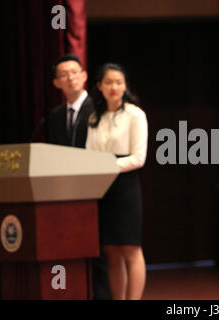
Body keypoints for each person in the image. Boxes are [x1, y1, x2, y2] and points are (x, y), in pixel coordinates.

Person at [48, 53, 111, 300]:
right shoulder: (53, 116)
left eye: (74, 72)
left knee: (99, 253)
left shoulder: (99, 110)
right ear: (56, 83)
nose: (70, 78)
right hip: (66, 195)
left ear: (84, 76)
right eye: (63, 75)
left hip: (96, 192)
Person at [86, 63, 148, 300]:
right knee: (111, 251)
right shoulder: (94, 116)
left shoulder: (135, 115)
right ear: (99, 86)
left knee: (131, 249)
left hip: (126, 186)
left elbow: (139, 157)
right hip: (102, 187)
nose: (114, 87)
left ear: (125, 86)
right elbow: (88, 154)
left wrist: (107, 166)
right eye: (109, 82)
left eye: (119, 82)